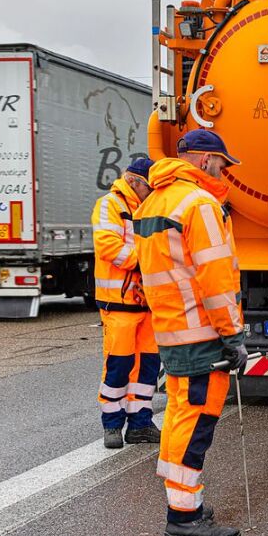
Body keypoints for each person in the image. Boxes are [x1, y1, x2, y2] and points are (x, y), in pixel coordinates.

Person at [133, 129, 248, 536]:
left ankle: (186, 503)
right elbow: (214, 278)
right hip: (202, 332)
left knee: (180, 418)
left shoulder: (154, 202)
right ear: (203, 161)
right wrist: (233, 333)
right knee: (195, 422)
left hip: (172, 330)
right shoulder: (199, 204)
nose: (225, 171)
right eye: (222, 163)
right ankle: (183, 517)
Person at [92, 158, 161, 449]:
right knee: (118, 366)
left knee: (147, 367)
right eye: (149, 186)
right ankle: (112, 425)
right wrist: (147, 262)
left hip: (147, 303)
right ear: (134, 181)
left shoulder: (147, 206)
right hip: (118, 303)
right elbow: (108, 246)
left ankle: (140, 424)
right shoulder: (110, 204)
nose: (152, 191)